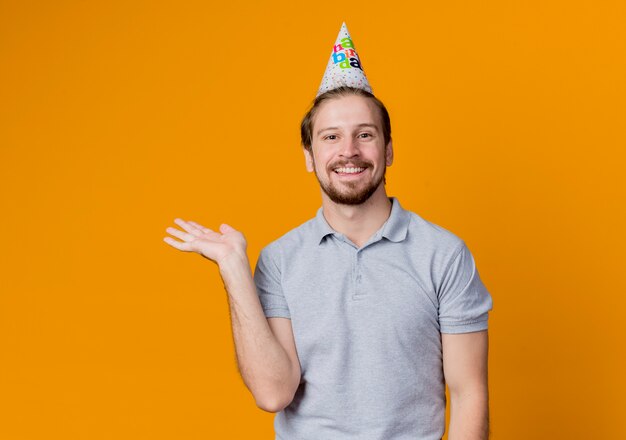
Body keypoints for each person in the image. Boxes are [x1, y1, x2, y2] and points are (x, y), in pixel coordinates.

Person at [164, 23, 493, 440]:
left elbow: (469, 394)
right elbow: (273, 392)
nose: (349, 151)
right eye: (331, 136)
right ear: (310, 155)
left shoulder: (444, 254)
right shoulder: (280, 259)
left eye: (365, 135)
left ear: (388, 150)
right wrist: (233, 269)